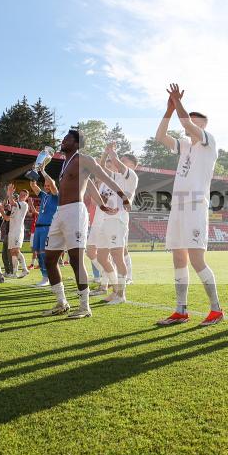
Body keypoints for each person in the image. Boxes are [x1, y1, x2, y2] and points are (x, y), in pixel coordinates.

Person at [153, 83, 224, 326]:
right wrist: (168, 110)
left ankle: (216, 309)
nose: (189, 123)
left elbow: (185, 124)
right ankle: (181, 310)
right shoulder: (184, 145)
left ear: (203, 125)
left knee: (196, 260)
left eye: (195, 120)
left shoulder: (208, 141)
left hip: (195, 205)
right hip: (178, 207)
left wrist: (178, 104)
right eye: (188, 118)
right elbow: (160, 137)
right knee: (178, 259)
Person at [41, 128, 131, 319]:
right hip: (60, 212)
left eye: (67, 139)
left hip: (75, 211)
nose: (62, 141)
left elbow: (104, 177)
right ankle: (61, 302)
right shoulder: (66, 163)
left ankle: (84, 306)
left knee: (76, 259)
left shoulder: (84, 159)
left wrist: (122, 196)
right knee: (49, 259)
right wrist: (102, 205)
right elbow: (89, 186)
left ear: (76, 143)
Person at [91, 143, 139, 305]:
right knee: (103, 257)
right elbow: (100, 169)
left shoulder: (131, 176)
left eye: (125, 161)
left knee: (118, 256)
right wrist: (105, 153)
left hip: (117, 219)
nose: (119, 162)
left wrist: (111, 152)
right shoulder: (114, 177)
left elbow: (116, 163)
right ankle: (114, 290)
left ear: (132, 166)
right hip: (105, 219)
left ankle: (121, 294)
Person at [29, 172, 59, 287]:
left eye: (48, 185)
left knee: (44, 253)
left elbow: (52, 184)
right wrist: (34, 175)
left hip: (48, 227)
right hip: (38, 228)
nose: (47, 187)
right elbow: (33, 186)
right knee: (37, 252)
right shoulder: (44, 195)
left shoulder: (56, 196)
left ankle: (48, 277)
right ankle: (44, 276)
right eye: (45, 186)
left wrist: (44, 171)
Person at [4, 184, 31, 277]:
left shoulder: (24, 204)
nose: (22, 196)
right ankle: (14, 272)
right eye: (21, 194)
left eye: (24, 195)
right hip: (11, 231)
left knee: (16, 250)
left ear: (26, 198)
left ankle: (25, 269)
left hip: (18, 231)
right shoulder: (15, 206)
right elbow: (7, 218)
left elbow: (12, 202)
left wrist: (10, 193)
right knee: (12, 252)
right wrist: (1, 210)